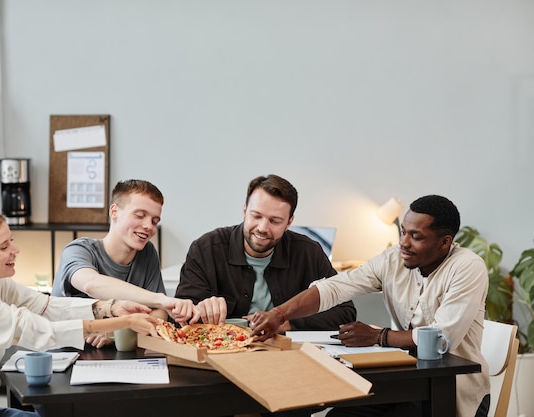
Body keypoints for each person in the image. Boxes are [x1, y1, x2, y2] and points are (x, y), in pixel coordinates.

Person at [250, 195, 490, 417]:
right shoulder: (393, 258)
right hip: (405, 380)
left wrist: (378, 336)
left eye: (415, 237)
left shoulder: (467, 267)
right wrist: (278, 313)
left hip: (451, 390)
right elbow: (335, 287)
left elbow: (441, 338)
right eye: (403, 232)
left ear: (444, 242)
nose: (403, 243)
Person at [0, 209, 165, 417]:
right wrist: (126, 321)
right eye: (4, 246)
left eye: (11, 240)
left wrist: (107, 307)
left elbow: (45, 305)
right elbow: (45, 332)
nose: (15, 249)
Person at [176, 174, 356, 331]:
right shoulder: (206, 248)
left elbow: (345, 311)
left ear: (289, 222)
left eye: (275, 221)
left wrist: (286, 321)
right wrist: (199, 309)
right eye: (256, 216)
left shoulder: (308, 252)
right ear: (244, 210)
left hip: (287, 355)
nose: (262, 228)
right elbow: (180, 316)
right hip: (221, 352)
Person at [52, 179, 196, 347]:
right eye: (140, 215)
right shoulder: (78, 250)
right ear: (114, 212)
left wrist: (116, 331)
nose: (148, 226)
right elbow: (91, 284)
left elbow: (160, 313)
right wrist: (162, 300)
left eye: (155, 221)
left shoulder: (147, 253)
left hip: (123, 357)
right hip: (67, 357)